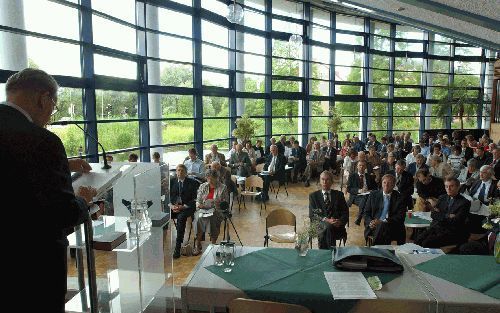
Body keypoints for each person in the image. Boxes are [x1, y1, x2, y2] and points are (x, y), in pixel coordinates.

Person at [0, 68, 97, 312]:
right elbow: (63, 213)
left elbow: (12, 171)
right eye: (53, 106)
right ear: (44, 98)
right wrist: (83, 201)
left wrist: (63, 163)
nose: (50, 114)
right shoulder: (43, 141)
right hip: (33, 270)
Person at [415, 177, 471, 248]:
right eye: (446, 186)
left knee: (426, 243)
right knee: (417, 240)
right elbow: (433, 214)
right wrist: (447, 215)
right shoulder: (442, 197)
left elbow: (456, 221)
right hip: (437, 227)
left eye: (451, 186)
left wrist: (440, 215)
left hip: (452, 232)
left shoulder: (464, 203)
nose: (448, 189)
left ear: (458, 187)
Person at [309, 171, 349, 249]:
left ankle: (324, 254)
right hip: (320, 226)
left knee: (329, 228)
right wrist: (327, 220)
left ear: (331, 182)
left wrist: (340, 221)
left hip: (337, 227)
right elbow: (312, 215)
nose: (324, 182)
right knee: (328, 227)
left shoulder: (339, 195)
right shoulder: (313, 196)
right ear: (320, 181)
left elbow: (345, 213)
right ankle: (331, 253)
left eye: (327, 180)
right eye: (322, 179)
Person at [193, 169, 229, 255]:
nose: (210, 181)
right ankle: (198, 244)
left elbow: (226, 203)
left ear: (217, 178)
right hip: (203, 209)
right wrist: (199, 205)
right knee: (199, 218)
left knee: (212, 218)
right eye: (208, 179)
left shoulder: (223, 187)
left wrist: (218, 203)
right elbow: (198, 200)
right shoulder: (203, 186)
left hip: (216, 210)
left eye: (212, 179)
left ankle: (213, 243)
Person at [364, 174, 406, 245]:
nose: (386, 185)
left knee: (383, 227)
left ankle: (375, 250)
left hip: (392, 226)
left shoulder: (399, 197)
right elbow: (366, 212)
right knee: (383, 230)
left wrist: (382, 222)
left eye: (389, 183)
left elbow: (400, 216)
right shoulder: (373, 195)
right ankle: (383, 253)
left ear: (393, 185)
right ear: (381, 183)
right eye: (384, 182)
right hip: (374, 226)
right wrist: (370, 222)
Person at [170, 164, 200, 259]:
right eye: (178, 170)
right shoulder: (172, 182)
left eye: (182, 170)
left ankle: (177, 247)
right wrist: (171, 206)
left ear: (186, 173)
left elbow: (195, 199)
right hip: (174, 207)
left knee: (181, 218)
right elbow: (167, 197)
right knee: (164, 216)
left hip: (187, 207)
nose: (180, 172)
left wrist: (183, 206)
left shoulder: (192, 182)